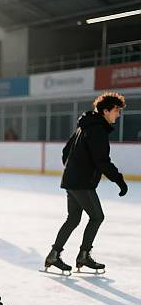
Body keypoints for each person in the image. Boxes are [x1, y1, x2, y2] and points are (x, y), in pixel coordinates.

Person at [45, 92, 128, 274]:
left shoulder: (85, 126)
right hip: (82, 182)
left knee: (73, 218)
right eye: (116, 110)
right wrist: (119, 180)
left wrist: (73, 169)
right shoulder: (98, 129)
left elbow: (66, 151)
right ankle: (83, 255)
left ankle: (54, 254)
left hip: (72, 180)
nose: (118, 115)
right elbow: (102, 161)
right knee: (97, 217)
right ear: (106, 111)